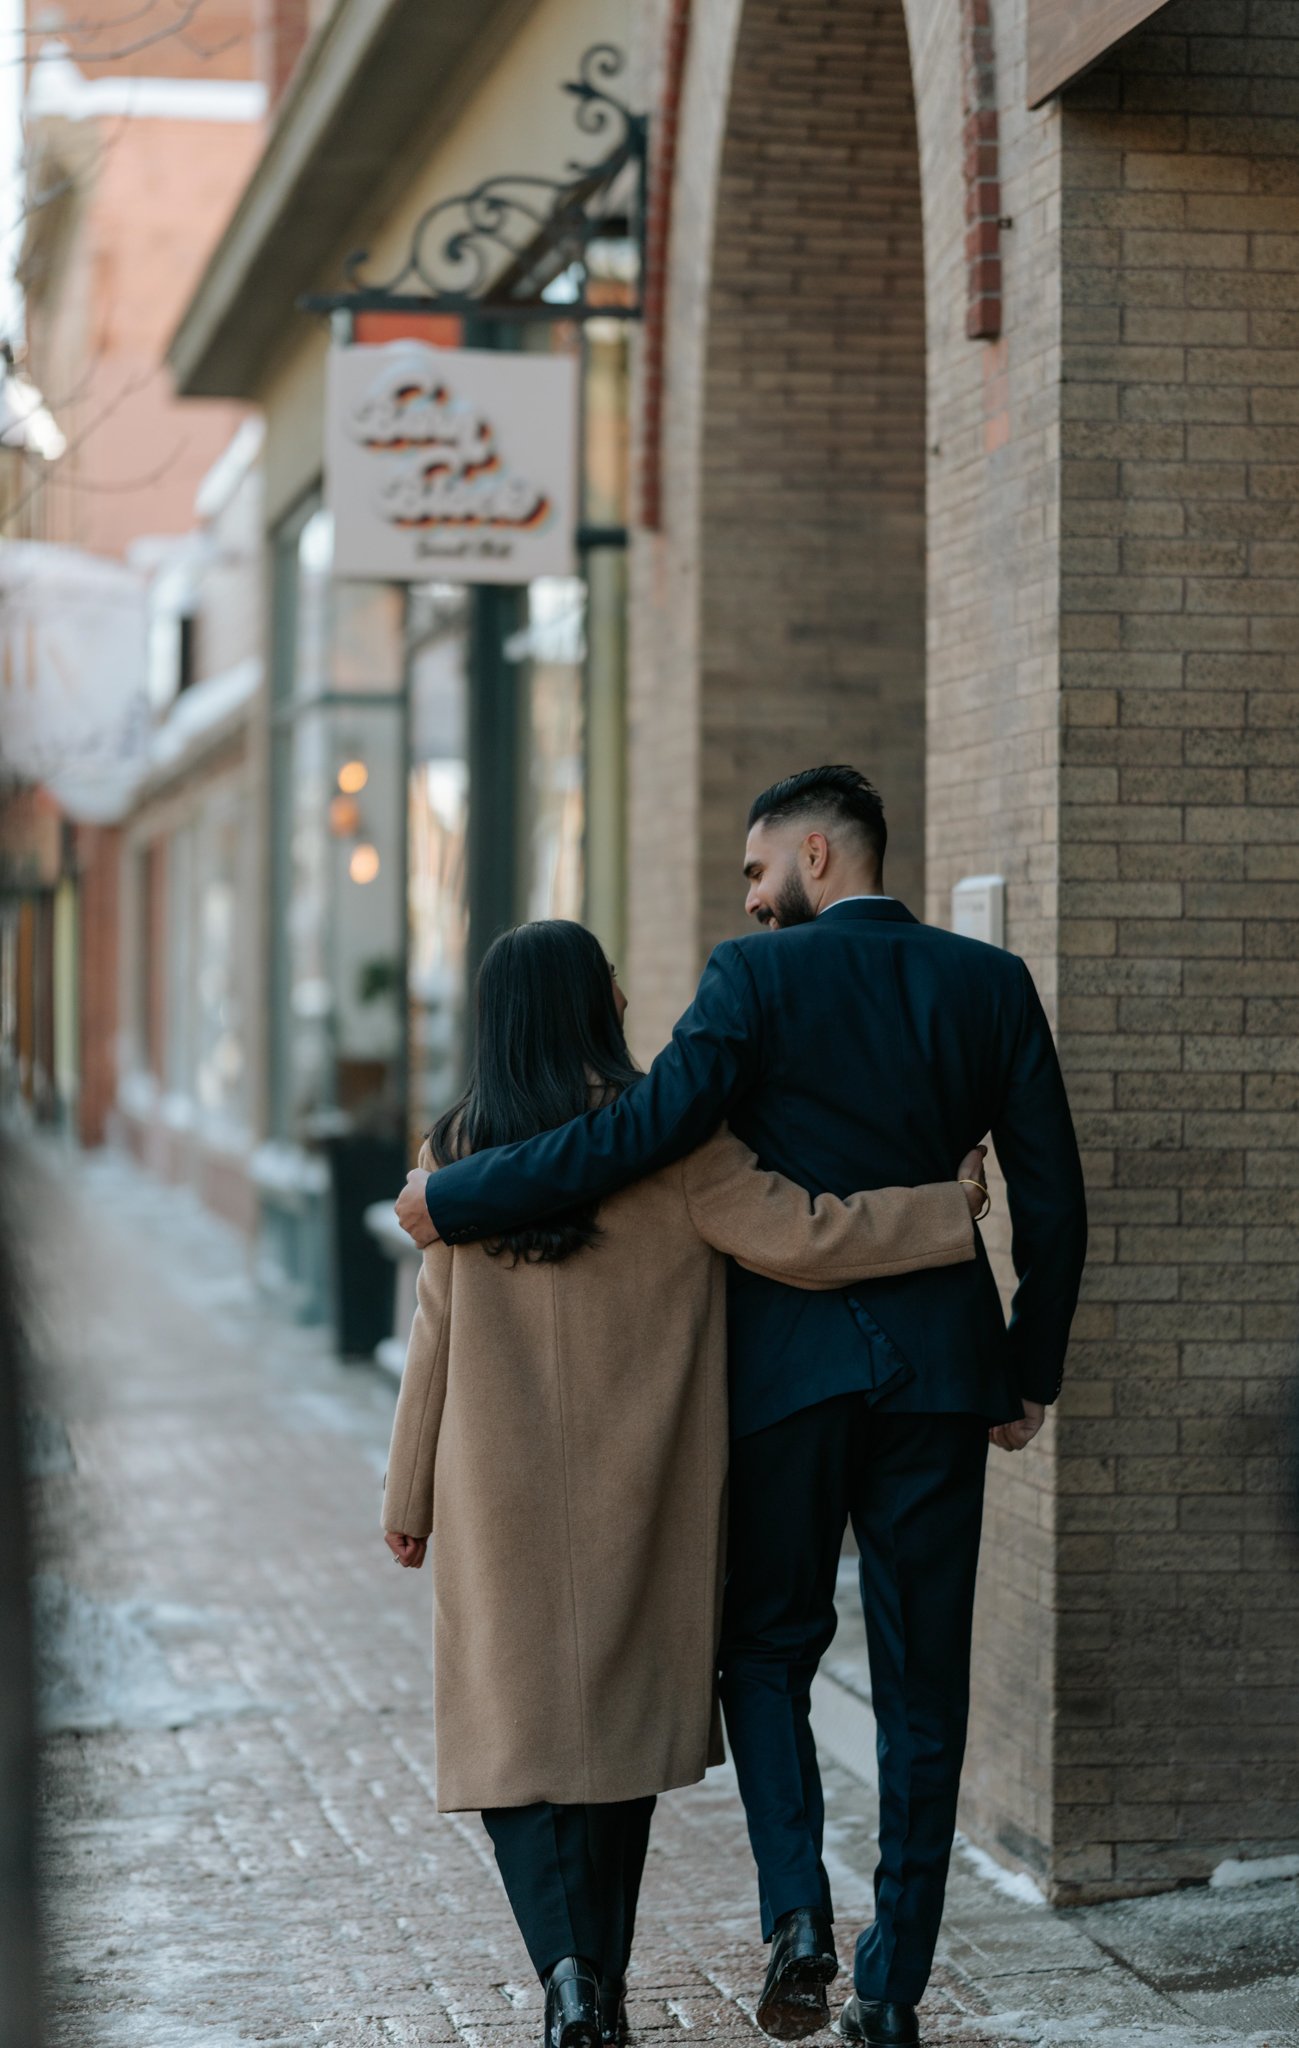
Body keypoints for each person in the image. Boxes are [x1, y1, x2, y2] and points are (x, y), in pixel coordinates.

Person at [395, 767, 1088, 2048]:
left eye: (760, 870)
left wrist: (463, 1192)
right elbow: (1057, 1200)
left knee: (766, 1652)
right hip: (941, 1375)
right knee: (924, 1681)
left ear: (818, 855)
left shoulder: (750, 980)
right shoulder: (991, 986)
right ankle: (895, 1979)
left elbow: (637, 1132)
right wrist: (1024, 1369)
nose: (751, 898)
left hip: (785, 1384)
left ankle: (797, 1916)